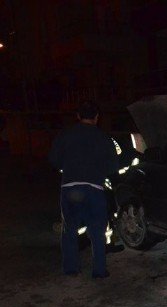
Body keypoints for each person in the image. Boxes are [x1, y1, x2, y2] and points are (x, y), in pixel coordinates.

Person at [49, 101, 119, 278]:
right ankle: (99, 270)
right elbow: (113, 167)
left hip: (70, 187)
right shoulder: (104, 138)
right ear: (96, 118)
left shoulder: (65, 135)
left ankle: (71, 269)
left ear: (78, 116)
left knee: (70, 229)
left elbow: (54, 160)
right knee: (97, 232)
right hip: (94, 189)